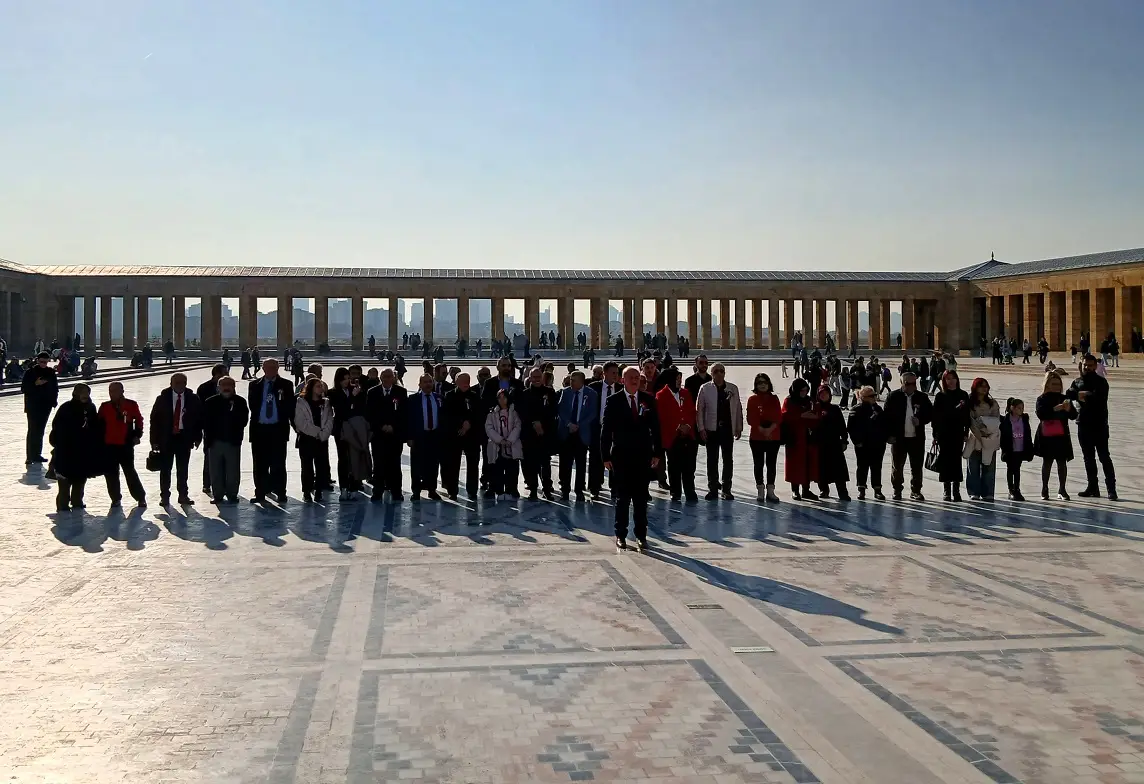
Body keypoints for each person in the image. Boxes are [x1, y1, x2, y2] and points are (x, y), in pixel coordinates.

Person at [601, 367, 661, 553]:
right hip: (621, 457)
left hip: (642, 457)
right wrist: (605, 456)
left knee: (641, 499)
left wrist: (657, 453)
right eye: (631, 378)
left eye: (637, 378)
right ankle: (620, 534)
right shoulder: (614, 400)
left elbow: (656, 428)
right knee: (622, 498)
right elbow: (606, 430)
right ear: (622, 380)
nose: (635, 380)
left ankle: (641, 536)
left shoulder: (648, 400)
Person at [149, 372, 203, 506]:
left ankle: (183, 495)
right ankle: (165, 496)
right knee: (165, 469)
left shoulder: (193, 398)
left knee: (183, 469)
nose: (180, 385)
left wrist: (197, 437)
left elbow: (198, 419)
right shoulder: (162, 398)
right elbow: (154, 420)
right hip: (166, 438)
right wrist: (154, 441)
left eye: (183, 383)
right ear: (171, 384)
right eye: (177, 383)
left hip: (184, 438)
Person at [247, 359, 296, 505]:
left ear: (278, 368)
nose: (271, 370)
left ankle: (280, 492)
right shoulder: (254, 385)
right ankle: (260, 492)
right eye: (268, 367)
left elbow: (289, 406)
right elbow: (253, 405)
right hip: (259, 429)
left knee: (278, 463)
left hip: (278, 428)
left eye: (274, 367)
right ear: (262, 368)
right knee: (259, 464)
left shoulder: (286, 384)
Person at [1067, 354, 1116, 500]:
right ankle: (1093, 487)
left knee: (1104, 457)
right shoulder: (1077, 381)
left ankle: (1111, 489)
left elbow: (1099, 399)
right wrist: (1081, 395)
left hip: (1099, 424)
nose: (1087, 367)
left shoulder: (1101, 382)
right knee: (1088, 458)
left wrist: (1083, 395)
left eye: (1090, 365)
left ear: (1095, 366)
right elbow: (1069, 393)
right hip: (1083, 424)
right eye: (1085, 365)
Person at [49, 384, 102, 512]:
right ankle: (63, 504)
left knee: (80, 477)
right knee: (65, 479)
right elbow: (57, 428)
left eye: (87, 393)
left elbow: (95, 426)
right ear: (75, 394)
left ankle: (77, 501)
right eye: (82, 392)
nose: (85, 395)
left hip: (83, 450)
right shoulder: (66, 408)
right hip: (66, 449)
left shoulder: (90, 407)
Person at [695, 363, 743, 500]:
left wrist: (738, 427)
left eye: (722, 371)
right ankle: (713, 489)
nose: (719, 373)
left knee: (728, 460)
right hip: (712, 430)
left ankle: (726, 489)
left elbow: (738, 408)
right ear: (712, 373)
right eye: (716, 371)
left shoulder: (732, 388)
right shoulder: (705, 388)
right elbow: (699, 410)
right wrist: (701, 428)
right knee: (712, 460)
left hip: (727, 429)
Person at [883, 371, 932, 501]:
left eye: (914, 383)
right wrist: (889, 435)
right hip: (898, 438)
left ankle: (916, 490)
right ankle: (897, 490)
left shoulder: (922, 397)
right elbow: (886, 418)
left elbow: (930, 414)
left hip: (916, 438)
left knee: (916, 466)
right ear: (902, 383)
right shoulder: (893, 397)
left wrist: (920, 420)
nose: (912, 386)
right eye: (908, 383)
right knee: (897, 466)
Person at [97, 381, 146, 508]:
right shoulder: (105, 406)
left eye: (115, 391)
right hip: (108, 445)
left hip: (125, 444)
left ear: (122, 391)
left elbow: (139, 420)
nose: (112, 394)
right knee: (111, 474)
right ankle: (115, 498)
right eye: (110, 391)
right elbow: (98, 424)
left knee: (130, 472)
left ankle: (140, 497)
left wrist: (137, 434)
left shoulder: (131, 405)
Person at [201, 376, 249, 504]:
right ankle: (218, 495)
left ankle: (232, 494)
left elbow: (244, 420)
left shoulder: (240, 401)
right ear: (218, 387)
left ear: (234, 387)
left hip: (232, 441)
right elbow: (205, 422)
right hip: (215, 441)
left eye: (229, 385)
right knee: (215, 470)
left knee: (232, 470)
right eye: (223, 385)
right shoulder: (210, 402)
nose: (226, 388)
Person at [656, 367, 698, 502]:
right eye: (677, 379)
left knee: (689, 466)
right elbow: (662, 417)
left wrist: (688, 426)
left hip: (688, 435)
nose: (680, 381)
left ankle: (690, 490)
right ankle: (676, 491)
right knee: (674, 466)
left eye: (680, 379)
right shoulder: (661, 395)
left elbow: (692, 411)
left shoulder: (686, 393)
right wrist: (677, 427)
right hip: (672, 436)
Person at [366, 368, 407, 502]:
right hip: (379, 435)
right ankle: (377, 491)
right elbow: (370, 413)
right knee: (378, 464)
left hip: (395, 435)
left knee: (395, 464)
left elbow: (403, 413)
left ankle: (396, 491)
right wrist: (381, 426)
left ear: (394, 378)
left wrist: (393, 426)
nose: (388, 379)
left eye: (390, 376)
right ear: (381, 378)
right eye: (385, 377)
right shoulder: (372, 392)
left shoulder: (401, 392)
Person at [556, 370, 598, 501]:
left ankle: (579, 490)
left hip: (582, 432)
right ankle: (565, 489)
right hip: (567, 432)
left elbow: (592, 413)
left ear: (581, 381)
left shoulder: (591, 394)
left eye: (574, 380)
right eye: (570, 380)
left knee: (581, 464)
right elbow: (561, 410)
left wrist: (580, 424)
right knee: (565, 463)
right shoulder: (566, 392)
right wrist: (569, 424)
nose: (571, 382)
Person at [1034, 371, 1077, 500]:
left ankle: (1062, 489)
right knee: (1047, 462)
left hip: (1061, 434)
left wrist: (1069, 409)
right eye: (1053, 384)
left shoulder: (1064, 398)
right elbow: (1041, 414)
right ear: (1047, 385)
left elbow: (1074, 416)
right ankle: (1044, 488)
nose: (1056, 386)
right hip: (1047, 434)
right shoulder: (1042, 399)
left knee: (1062, 462)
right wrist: (1055, 409)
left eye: (1058, 384)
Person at [441, 372, 484, 499]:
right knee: (453, 464)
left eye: (468, 381)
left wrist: (469, 423)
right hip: (455, 435)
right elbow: (447, 415)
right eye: (463, 381)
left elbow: (479, 414)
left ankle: (472, 490)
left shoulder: (475, 396)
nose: (466, 384)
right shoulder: (449, 396)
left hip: (472, 435)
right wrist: (461, 423)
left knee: (473, 463)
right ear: (456, 382)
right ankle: (452, 490)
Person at [518, 366, 558, 499]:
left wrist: (542, 424)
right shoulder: (524, 394)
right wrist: (534, 423)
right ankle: (533, 489)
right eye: (534, 377)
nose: (536, 379)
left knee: (545, 463)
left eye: (538, 377)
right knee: (530, 463)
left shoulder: (550, 393)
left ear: (542, 378)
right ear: (529, 378)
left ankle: (547, 489)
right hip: (529, 434)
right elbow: (522, 413)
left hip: (545, 434)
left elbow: (553, 411)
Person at [330, 367, 370, 501]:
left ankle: (354, 486)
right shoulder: (333, 393)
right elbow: (341, 410)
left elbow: (361, 408)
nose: (348, 381)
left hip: (354, 428)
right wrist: (352, 396)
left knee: (354, 457)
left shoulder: (355, 391)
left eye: (349, 378)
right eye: (345, 379)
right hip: (341, 428)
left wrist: (356, 394)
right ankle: (344, 487)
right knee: (343, 459)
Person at [930, 371, 969, 501]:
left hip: (957, 432)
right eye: (947, 379)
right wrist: (935, 435)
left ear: (957, 379)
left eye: (953, 378)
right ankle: (946, 490)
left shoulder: (963, 395)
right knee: (945, 460)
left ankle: (956, 490)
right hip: (944, 433)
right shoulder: (940, 396)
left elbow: (966, 415)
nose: (951, 381)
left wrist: (965, 432)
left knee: (956, 461)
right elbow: (935, 417)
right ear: (944, 381)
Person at [293, 377, 334, 503]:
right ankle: (307, 490)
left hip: (321, 440)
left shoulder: (326, 403)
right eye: (318, 386)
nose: (320, 388)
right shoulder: (300, 402)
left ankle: (319, 491)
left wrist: (323, 434)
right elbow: (300, 422)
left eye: (321, 386)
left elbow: (329, 420)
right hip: (307, 439)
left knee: (321, 466)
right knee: (307, 466)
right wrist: (316, 432)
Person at [406, 373, 444, 501]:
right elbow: (408, 419)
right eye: (425, 382)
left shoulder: (439, 398)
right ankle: (416, 491)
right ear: (420, 384)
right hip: (419, 436)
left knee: (433, 464)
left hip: (435, 435)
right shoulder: (412, 399)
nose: (428, 384)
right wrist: (409, 437)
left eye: (430, 382)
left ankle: (432, 489)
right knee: (416, 464)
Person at [745, 372, 782, 502]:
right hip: (757, 436)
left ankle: (771, 491)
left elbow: (778, 416)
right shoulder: (752, 399)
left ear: (769, 384)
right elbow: (751, 418)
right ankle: (760, 490)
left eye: (764, 382)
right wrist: (762, 430)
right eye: (759, 383)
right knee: (758, 464)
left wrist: (770, 430)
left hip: (773, 436)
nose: (762, 385)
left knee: (771, 464)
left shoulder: (774, 399)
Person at [586, 362, 621, 498]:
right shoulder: (593, 388)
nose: (615, 376)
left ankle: (614, 488)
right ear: (604, 373)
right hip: (597, 428)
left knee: (614, 458)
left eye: (617, 373)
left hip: (614, 430)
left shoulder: (620, 388)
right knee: (595, 458)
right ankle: (594, 488)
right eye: (613, 373)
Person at [847, 385, 888, 500]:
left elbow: (885, 425)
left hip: (877, 444)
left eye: (875, 395)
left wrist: (884, 439)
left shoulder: (878, 409)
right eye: (871, 396)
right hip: (862, 444)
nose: (874, 397)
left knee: (876, 467)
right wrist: (857, 441)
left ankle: (877, 489)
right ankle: (861, 489)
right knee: (862, 467)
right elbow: (851, 428)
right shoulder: (856, 409)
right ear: (864, 397)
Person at [964, 378, 1001, 501]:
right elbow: (970, 419)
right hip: (974, 438)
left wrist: (988, 431)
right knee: (973, 466)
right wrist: (979, 431)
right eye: (981, 386)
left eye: (986, 386)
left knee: (989, 466)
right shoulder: (969, 402)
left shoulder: (993, 403)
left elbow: (996, 420)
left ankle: (988, 492)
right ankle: (973, 491)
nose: (984, 388)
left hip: (990, 438)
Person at [811, 384, 851, 500]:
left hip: (834, 443)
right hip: (820, 443)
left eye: (826, 394)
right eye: (821, 394)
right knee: (822, 468)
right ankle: (824, 490)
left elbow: (842, 426)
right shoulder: (815, 408)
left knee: (839, 469)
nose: (824, 396)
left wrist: (844, 439)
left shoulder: (835, 409)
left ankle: (842, 491)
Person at [781, 379, 818, 499]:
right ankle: (795, 489)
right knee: (795, 464)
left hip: (807, 436)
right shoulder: (789, 400)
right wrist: (801, 415)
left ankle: (806, 489)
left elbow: (814, 414)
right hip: (794, 437)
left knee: (807, 463)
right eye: (802, 390)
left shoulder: (809, 400)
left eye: (806, 390)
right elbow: (784, 416)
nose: (804, 392)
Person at [484, 389, 522, 500]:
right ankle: (499, 490)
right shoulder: (492, 413)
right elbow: (489, 427)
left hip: (511, 445)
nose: (502, 400)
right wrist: (500, 440)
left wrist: (510, 440)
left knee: (512, 469)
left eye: (504, 397)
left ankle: (512, 489)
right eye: (499, 398)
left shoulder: (514, 412)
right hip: (497, 446)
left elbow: (517, 426)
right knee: (497, 469)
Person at [22, 352, 58, 467]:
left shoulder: (50, 372)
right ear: (37, 360)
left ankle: (37, 454)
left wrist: (54, 401)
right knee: (32, 430)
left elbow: (55, 388)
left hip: (45, 405)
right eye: (41, 362)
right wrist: (35, 384)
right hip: (33, 406)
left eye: (45, 362)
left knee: (40, 431)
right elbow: (24, 388)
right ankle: (29, 456)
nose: (43, 364)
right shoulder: (30, 372)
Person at [197, 364, 227, 496]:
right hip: (210, 427)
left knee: (225, 456)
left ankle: (223, 484)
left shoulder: (228, 386)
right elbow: (199, 409)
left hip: (226, 428)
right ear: (216, 374)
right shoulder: (204, 388)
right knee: (209, 455)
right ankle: (207, 483)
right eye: (224, 373)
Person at [1000, 397, 1034, 501]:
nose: (1021, 410)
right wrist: (1004, 448)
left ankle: (1017, 489)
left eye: (1022, 408)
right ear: (1012, 408)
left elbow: (1028, 434)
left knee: (1017, 469)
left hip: (1020, 449)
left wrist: (1029, 447)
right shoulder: (1006, 420)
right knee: (1011, 469)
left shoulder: (1024, 419)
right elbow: (1003, 436)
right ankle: (1011, 490)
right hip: (1010, 449)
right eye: (1019, 408)